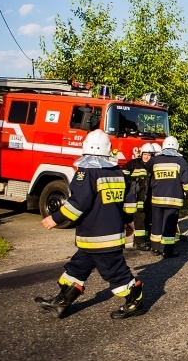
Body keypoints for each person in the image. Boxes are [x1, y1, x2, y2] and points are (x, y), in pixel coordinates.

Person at [34, 129, 146, 319]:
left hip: (97, 237)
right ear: (108, 149)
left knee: (116, 273)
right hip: (100, 237)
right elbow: (128, 202)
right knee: (76, 269)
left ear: (85, 148)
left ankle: (136, 301)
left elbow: (79, 203)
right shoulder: (118, 172)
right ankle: (62, 302)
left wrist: (55, 218)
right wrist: (127, 222)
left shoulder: (86, 172)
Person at [144, 136, 188, 259]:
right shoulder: (181, 161)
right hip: (173, 199)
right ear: (176, 147)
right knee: (169, 224)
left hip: (157, 199)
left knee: (156, 223)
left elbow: (146, 168)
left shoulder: (155, 160)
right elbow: (186, 181)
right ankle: (167, 250)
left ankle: (155, 248)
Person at [123, 143, 156, 251]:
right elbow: (123, 174)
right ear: (141, 154)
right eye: (145, 154)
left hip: (148, 198)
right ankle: (139, 243)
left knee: (146, 220)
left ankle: (143, 240)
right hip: (137, 198)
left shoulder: (153, 166)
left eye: (149, 155)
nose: (146, 157)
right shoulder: (134, 163)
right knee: (139, 220)